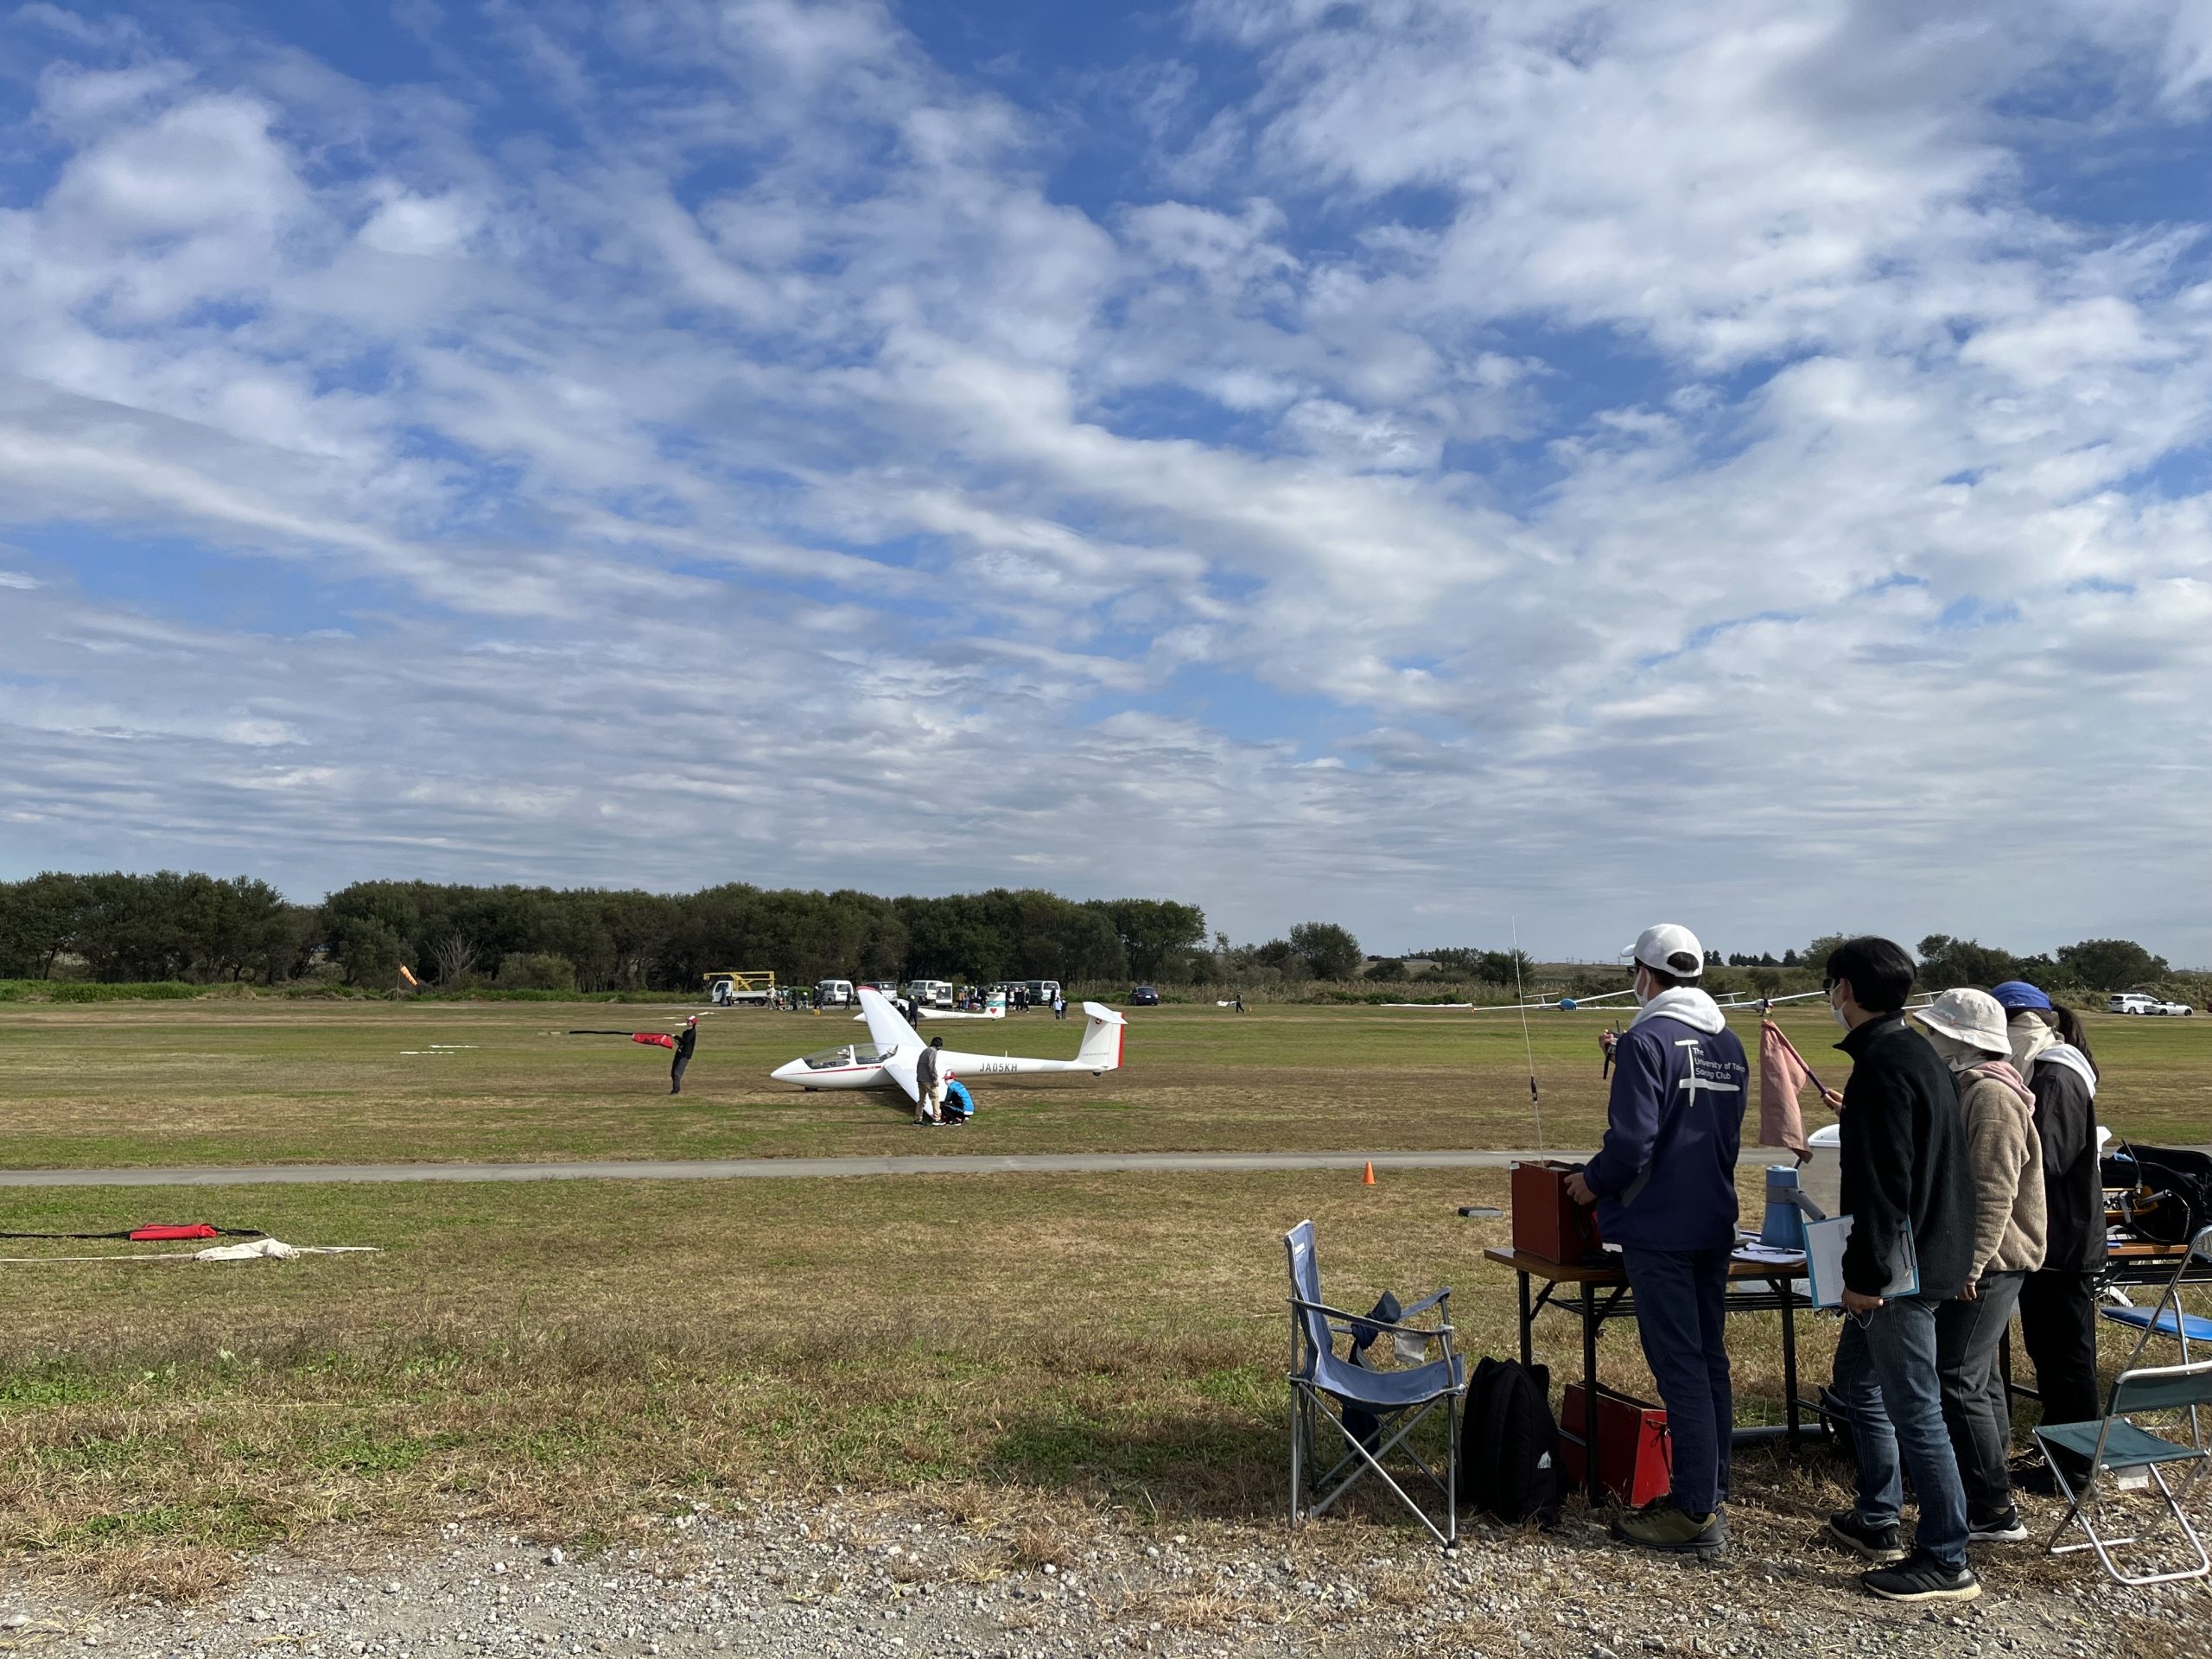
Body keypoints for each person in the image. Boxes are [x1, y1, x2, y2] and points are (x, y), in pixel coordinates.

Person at [1563, 923, 1747, 1557]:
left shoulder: (1646, 1039)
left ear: (1646, 975)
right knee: (1710, 1361)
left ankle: (1694, 1512)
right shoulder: (1728, 1041)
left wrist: (1592, 1183)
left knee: (1681, 1368)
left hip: (1660, 1227)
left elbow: (1634, 1144)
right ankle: (1712, 1488)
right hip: (1713, 1222)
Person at [1820, 937, 1982, 1603]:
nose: (1830, 996)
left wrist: (1866, 1275)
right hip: (1924, 1254)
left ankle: (1945, 1556)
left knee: (1916, 1409)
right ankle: (1877, 1515)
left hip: (1898, 1272)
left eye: (1831, 985)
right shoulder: (1914, 1053)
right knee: (1856, 1383)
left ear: (1846, 991)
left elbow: (1887, 1185)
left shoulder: (1883, 1065)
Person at [1915, 988, 2045, 1546]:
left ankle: (1991, 1509)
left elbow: (1994, 1189)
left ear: (1961, 1039)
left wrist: (1969, 1264)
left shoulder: (1992, 1094)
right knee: (1980, 1379)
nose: (1930, 1039)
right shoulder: (1971, 1085)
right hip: (1987, 1259)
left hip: (1992, 1260)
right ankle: (1989, 1494)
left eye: (1937, 1031)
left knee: (1958, 1379)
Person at [1990, 980, 2103, 1491]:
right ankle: (2060, 1457)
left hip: (2062, 1241)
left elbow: (2048, 1159)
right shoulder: (2049, 1065)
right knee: (2052, 1354)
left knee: (2067, 1360)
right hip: (2052, 1236)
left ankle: (2076, 1469)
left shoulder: (2056, 1073)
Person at [913, 1035, 947, 1125]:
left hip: (920, 1078)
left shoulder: (925, 1050)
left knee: (921, 1100)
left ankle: (917, 1119)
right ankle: (936, 1119)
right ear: (939, 1046)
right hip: (928, 1079)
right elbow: (931, 1066)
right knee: (935, 1098)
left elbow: (919, 1065)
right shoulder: (933, 1051)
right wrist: (934, 1078)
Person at [669, 1015, 698, 1095]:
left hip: (685, 1055)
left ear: (693, 1023)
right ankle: (677, 1088)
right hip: (679, 1052)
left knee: (677, 1073)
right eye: (687, 1021)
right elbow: (682, 1042)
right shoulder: (685, 1032)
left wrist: (676, 1036)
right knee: (673, 1072)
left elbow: (685, 1041)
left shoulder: (692, 1032)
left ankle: (675, 1091)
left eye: (689, 1021)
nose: (687, 1022)